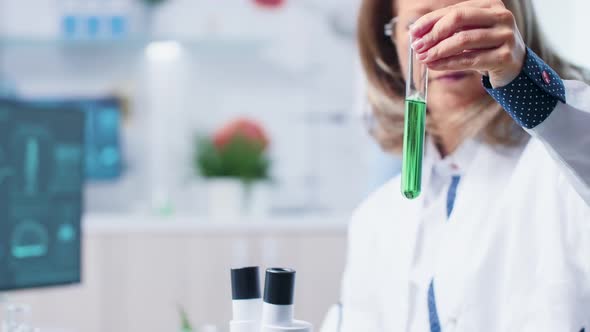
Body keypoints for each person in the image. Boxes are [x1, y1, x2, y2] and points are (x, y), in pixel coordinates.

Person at [320, 0, 590, 331]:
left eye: (472, 25)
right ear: (388, 39)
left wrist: (525, 84)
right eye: (423, 28)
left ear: (513, 27)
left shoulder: (564, 167)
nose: (451, 47)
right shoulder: (375, 219)